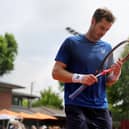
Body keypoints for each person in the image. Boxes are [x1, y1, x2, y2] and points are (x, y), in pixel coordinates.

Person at [52, 7, 123, 129]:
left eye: (107, 30)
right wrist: (80, 78)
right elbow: (56, 72)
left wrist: (115, 76)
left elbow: (108, 81)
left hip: (100, 107)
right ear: (93, 21)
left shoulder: (107, 48)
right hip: (76, 106)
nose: (103, 32)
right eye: (102, 27)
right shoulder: (71, 43)